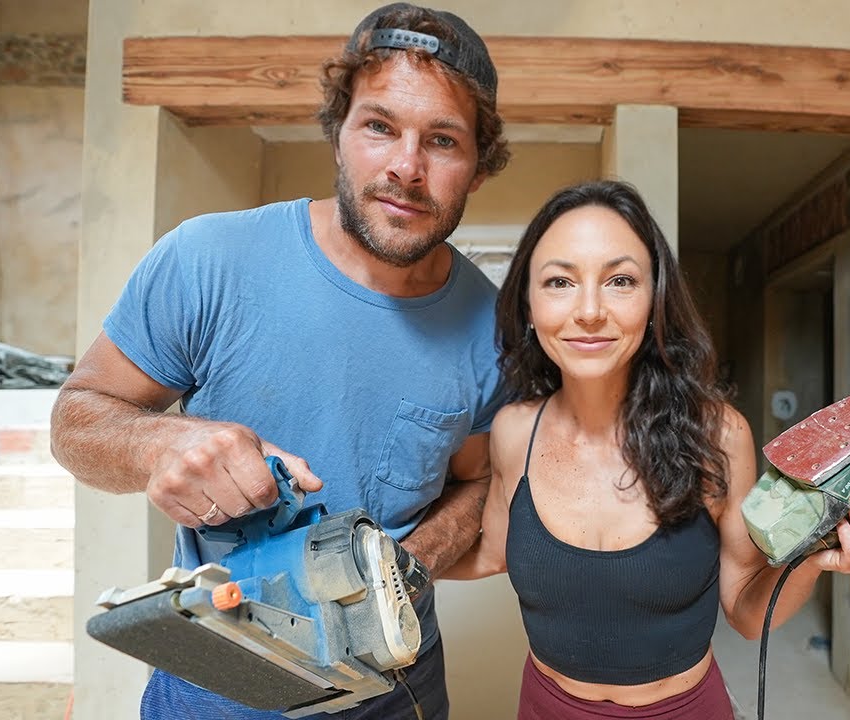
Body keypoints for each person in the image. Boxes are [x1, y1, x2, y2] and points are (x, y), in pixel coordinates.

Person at [50, 4, 511, 719]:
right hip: (216, 688)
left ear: (478, 167)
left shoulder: (492, 325)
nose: (405, 167)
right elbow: (75, 421)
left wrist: (407, 567)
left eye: (443, 140)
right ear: (338, 134)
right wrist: (160, 441)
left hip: (401, 694)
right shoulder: (208, 260)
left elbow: (481, 482)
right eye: (380, 126)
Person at [444, 180, 850, 719]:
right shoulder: (512, 432)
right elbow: (496, 551)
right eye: (560, 281)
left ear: (655, 301)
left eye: (620, 280)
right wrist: (386, 558)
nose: (590, 310)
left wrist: (815, 559)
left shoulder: (717, 436)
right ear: (528, 303)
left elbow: (745, 610)